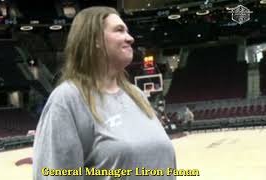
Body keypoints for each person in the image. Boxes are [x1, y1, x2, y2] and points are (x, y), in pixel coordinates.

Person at [33, 6, 176, 180]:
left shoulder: (136, 94)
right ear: (95, 39)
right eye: (119, 30)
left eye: (127, 31)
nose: (130, 38)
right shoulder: (68, 99)